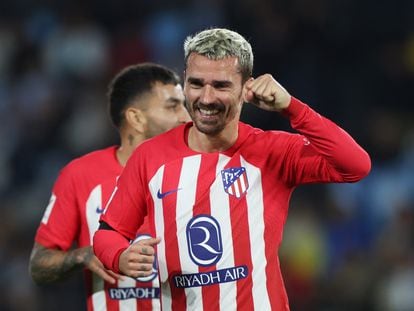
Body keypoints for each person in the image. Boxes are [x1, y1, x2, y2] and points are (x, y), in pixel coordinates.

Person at [93, 28, 371, 310]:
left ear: (245, 89)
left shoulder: (271, 151)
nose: (207, 98)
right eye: (197, 83)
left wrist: (292, 108)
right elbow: (107, 233)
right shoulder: (150, 157)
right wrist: (121, 256)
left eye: (221, 86)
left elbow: (355, 165)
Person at [29, 62, 190, 311]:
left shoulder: (198, 170)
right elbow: (39, 265)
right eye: (173, 106)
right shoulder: (81, 175)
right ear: (136, 118)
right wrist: (82, 255)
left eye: (184, 105)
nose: (186, 117)